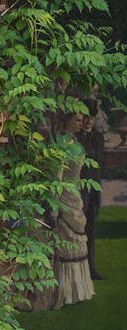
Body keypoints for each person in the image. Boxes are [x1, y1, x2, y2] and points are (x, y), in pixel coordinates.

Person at [76, 101, 104, 280]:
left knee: (91, 231)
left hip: (95, 191)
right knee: (79, 232)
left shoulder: (99, 137)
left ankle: (91, 269)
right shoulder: (76, 138)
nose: (89, 121)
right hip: (80, 191)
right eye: (86, 117)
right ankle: (79, 270)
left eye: (92, 117)